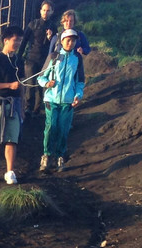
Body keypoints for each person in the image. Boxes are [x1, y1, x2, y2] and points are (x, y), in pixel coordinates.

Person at [38, 29, 86, 172]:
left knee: (63, 128)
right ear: (62, 41)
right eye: (68, 40)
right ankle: (46, 155)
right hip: (51, 98)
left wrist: (78, 95)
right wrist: (47, 83)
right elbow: (41, 77)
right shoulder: (53, 56)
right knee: (51, 126)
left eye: (73, 40)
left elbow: (80, 81)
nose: (71, 43)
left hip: (68, 100)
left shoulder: (77, 58)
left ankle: (60, 156)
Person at [0, 25, 26, 184]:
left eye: (20, 40)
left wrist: (22, 107)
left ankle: (10, 171)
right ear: (6, 40)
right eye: (15, 40)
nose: (18, 43)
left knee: (11, 138)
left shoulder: (19, 61)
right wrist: (8, 85)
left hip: (15, 104)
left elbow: (21, 85)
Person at [22, 1, 58, 115]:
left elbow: (55, 46)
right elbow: (24, 41)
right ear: (40, 11)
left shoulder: (53, 27)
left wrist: (51, 37)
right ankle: (28, 108)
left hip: (45, 60)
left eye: (48, 10)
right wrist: (18, 57)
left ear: (52, 12)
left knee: (41, 85)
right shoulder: (32, 24)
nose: (45, 13)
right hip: (31, 58)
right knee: (30, 84)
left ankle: (37, 109)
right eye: (44, 10)